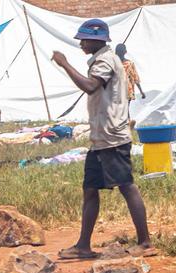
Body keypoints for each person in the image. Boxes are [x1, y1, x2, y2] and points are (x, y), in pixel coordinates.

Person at [51, 19, 155, 259]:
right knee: (90, 189)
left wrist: (64, 63)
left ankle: (146, 242)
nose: (80, 44)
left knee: (127, 186)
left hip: (112, 137)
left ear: (94, 40)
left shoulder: (106, 61)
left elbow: (90, 86)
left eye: (83, 40)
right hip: (101, 138)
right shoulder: (102, 59)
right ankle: (83, 246)